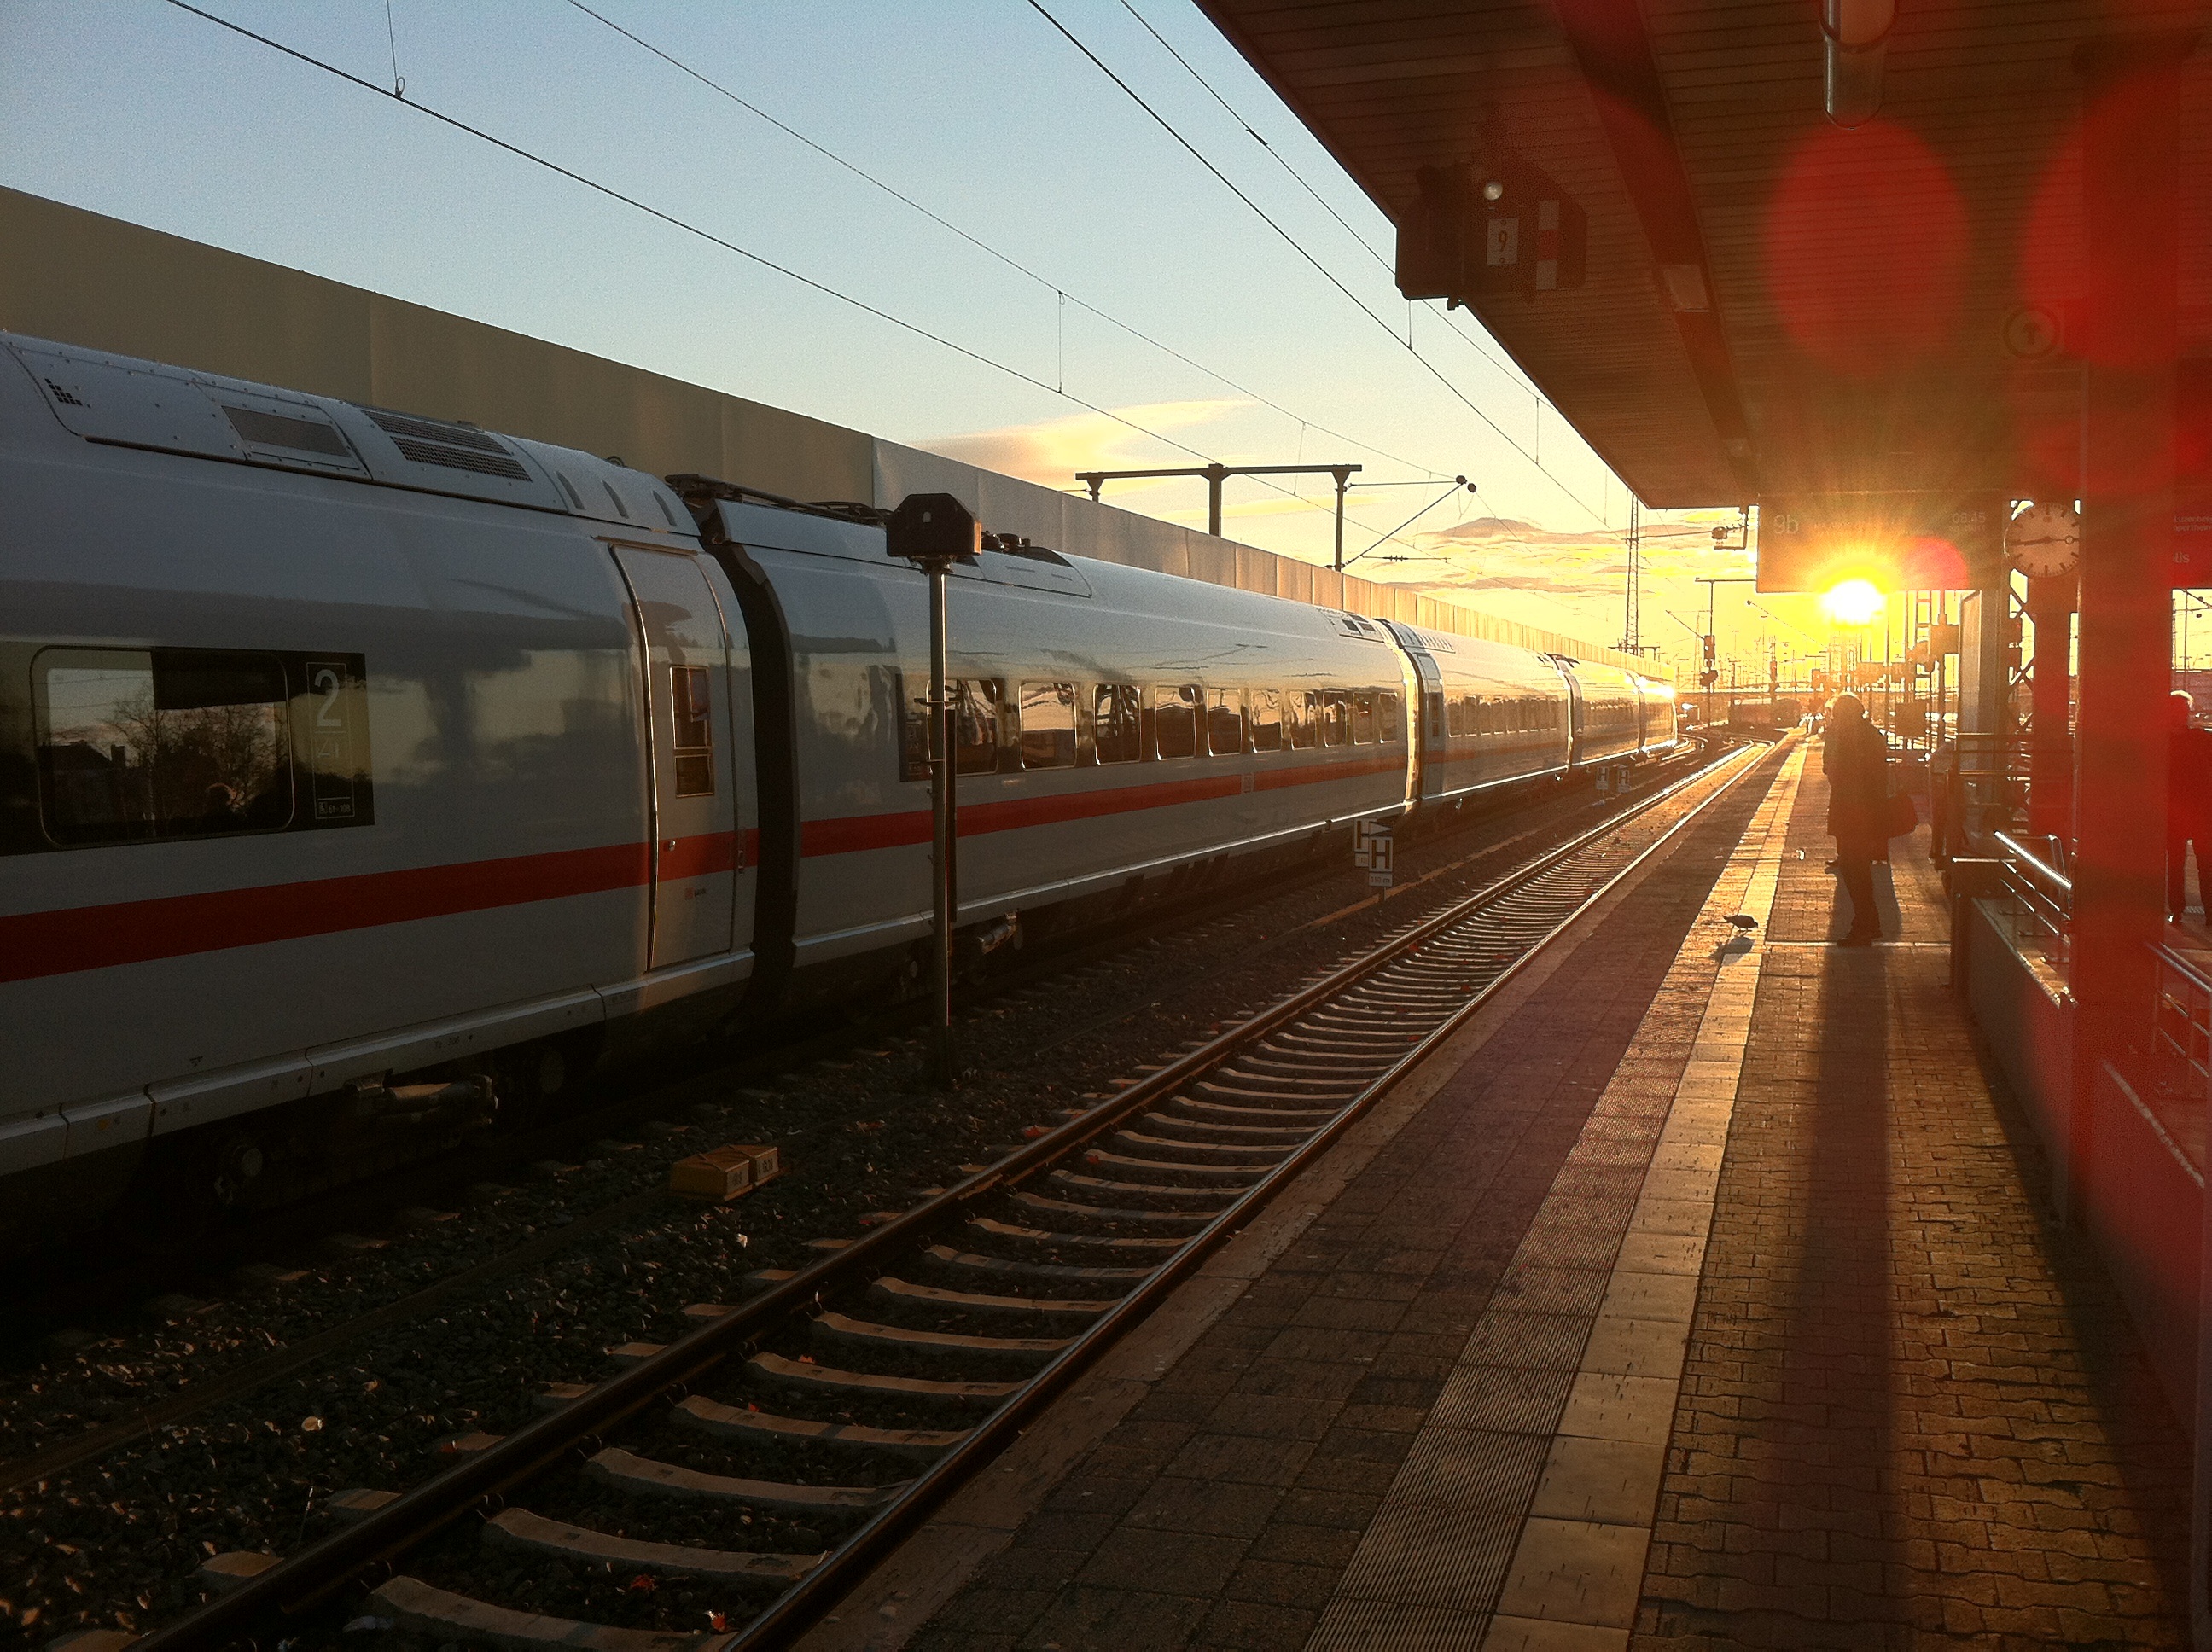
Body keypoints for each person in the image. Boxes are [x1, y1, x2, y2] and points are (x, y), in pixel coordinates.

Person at [1825, 693, 1889, 945]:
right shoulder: (1871, 735)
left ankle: (1864, 925)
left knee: (1855, 872)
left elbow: (1839, 773)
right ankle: (1868, 923)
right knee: (1858, 871)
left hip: (1853, 814)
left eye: (1837, 715)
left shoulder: (1851, 739)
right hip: (1865, 813)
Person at [2168, 692, 2210, 921]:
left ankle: (2176, 909)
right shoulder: (2202, 739)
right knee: (2206, 864)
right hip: (2201, 811)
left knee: (2175, 863)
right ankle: (2210, 912)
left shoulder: (2161, 744)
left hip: (2175, 811)